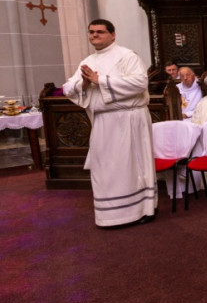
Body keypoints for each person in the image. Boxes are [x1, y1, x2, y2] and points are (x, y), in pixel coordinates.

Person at [62, 19, 156, 227]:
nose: (95, 35)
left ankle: (141, 209)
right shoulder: (88, 61)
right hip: (103, 122)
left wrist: (101, 81)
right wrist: (84, 83)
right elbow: (67, 88)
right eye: (91, 32)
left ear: (113, 35)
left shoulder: (127, 56)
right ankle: (110, 215)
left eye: (100, 32)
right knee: (104, 167)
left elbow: (140, 82)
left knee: (130, 166)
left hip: (128, 118)